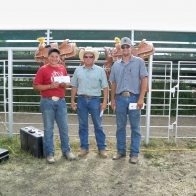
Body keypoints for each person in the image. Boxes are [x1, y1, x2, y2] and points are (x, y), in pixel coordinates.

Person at [33, 48, 76, 164]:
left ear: (59, 58)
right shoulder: (43, 69)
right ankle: (50, 153)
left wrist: (64, 85)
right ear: (48, 57)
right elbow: (36, 86)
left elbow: (67, 84)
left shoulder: (62, 68)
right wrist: (49, 86)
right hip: (47, 101)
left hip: (61, 101)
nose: (54, 58)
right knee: (48, 129)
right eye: (52, 56)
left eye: (56, 56)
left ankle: (66, 151)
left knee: (64, 127)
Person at [109, 37, 148, 164]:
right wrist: (112, 99)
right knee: (120, 127)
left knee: (135, 128)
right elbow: (113, 83)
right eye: (123, 47)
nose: (125, 49)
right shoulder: (115, 65)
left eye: (127, 46)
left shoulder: (139, 62)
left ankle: (134, 153)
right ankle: (121, 151)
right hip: (119, 98)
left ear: (131, 48)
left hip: (134, 97)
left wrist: (141, 98)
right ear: (120, 49)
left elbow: (144, 80)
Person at [71, 46, 108, 158]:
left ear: (93, 58)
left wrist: (105, 102)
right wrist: (72, 100)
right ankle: (84, 148)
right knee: (83, 125)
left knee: (98, 125)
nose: (88, 58)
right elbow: (74, 86)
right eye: (86, 56)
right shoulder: (78, 70)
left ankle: (101, 148)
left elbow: (105, 87)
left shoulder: (100, 70)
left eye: (90, 56)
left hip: (95, 100)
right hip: (81, 99)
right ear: (83, 58)